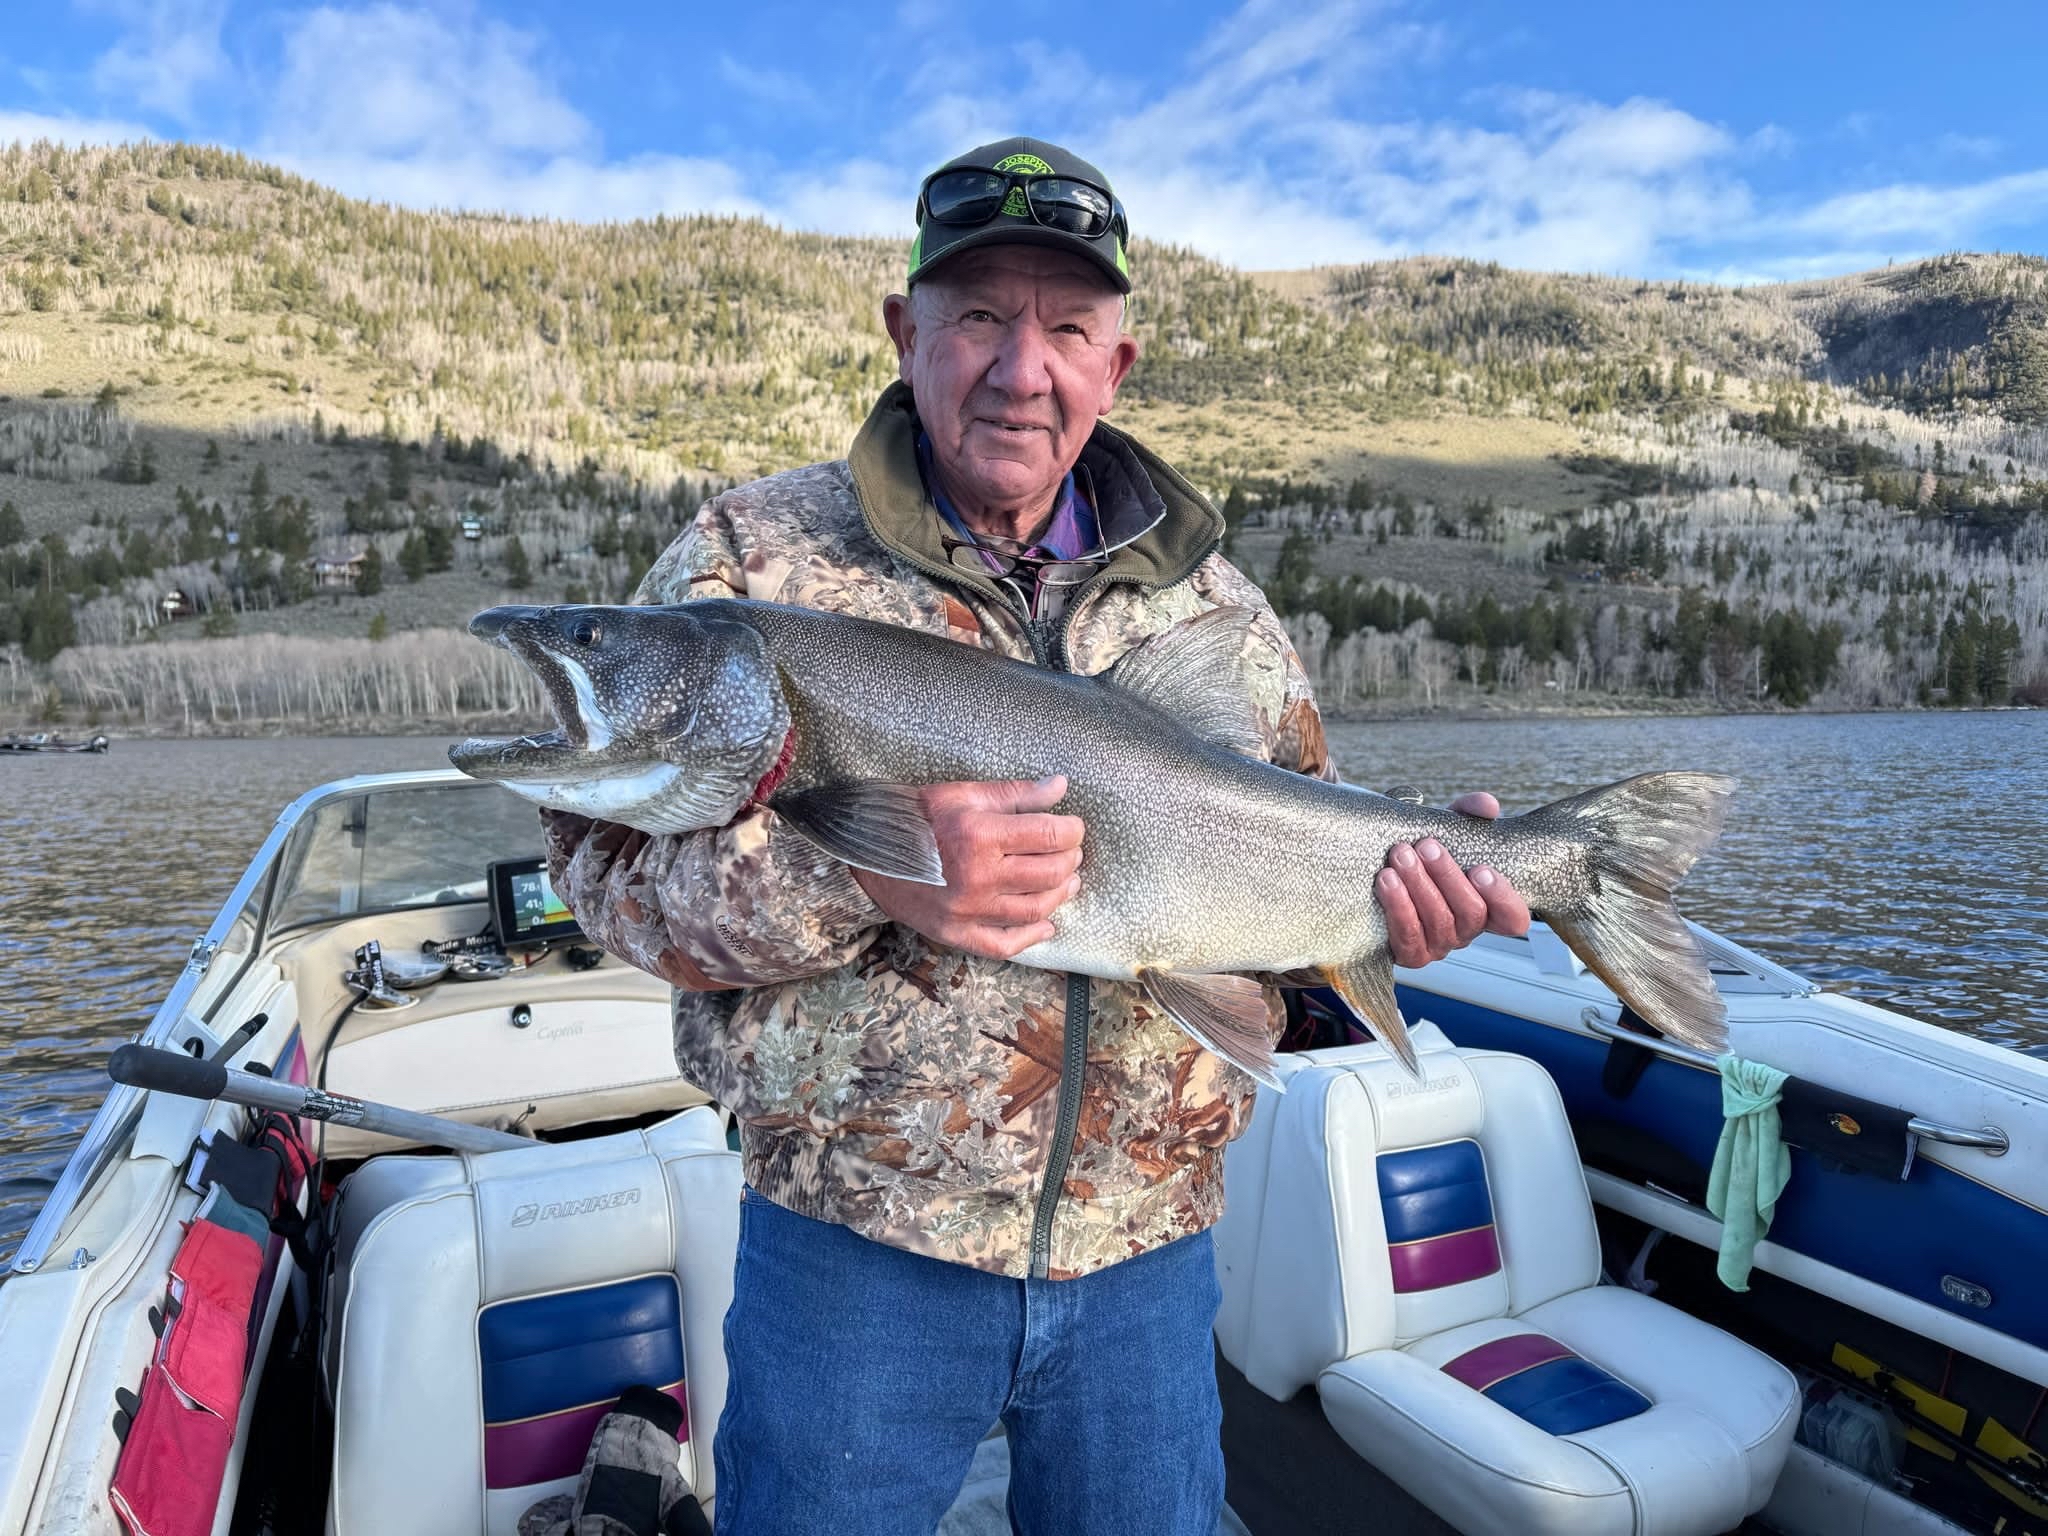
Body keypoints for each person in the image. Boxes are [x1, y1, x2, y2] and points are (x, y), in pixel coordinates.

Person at [544, 136, 1530, 1536]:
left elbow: (1284, 962)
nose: (1024, 368)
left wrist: (1392, 931)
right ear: (906, 333)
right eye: (981, 320)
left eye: (1068, 327)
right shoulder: (750, 565)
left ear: (1116, 365)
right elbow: (604, 882)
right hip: (855, 1254)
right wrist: (867, 869)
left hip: (1150, 1256)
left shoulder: (1221, 620)